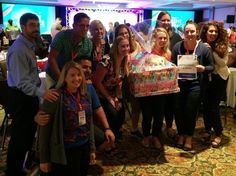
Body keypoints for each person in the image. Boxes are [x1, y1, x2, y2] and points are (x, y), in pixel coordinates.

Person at [6, 13, 59, 176]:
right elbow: (22, 83)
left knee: (28, 134)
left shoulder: (28, 44)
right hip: (21, 96)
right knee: (20, 137)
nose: (36, 28)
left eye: (37, 25)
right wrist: (43, 93)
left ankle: (22, 166)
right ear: (22, 27)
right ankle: (13, 171)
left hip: (27, 95)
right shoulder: (19, 50)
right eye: (32, 25)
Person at [39, 61, 96, 176]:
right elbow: (44, 130)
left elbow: (89, 123)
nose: (77, 78)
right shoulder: (55, 97)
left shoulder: (85, 95)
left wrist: (92, 148)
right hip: (65, 151)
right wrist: (44, 159)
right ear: (64, 78)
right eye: (72, 75)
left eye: (79, 75)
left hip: (84, 147)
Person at [171, 20, 214, 151]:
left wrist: (203, 68)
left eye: (192, 31)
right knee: (178, 110)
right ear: (183, 33)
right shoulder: (177, 47)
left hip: (195, 85)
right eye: (187, 31)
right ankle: (181, 134)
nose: (189, 34)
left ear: (197, 33)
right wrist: (174, 67)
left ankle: (188, 137)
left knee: (190, 111)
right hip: (179, 84)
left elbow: (211, 66)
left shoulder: (203, 48)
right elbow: (172, 63)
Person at [200, 21, 230, 148]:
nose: (213, 33)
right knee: (205, 106)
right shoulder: (202, 44)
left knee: (213, 106)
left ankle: (218, 133)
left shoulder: (222, 45)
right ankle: (207, 130)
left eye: (216, 31)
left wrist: (211, 50)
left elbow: (223, 64)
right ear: (205, 32)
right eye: (210, 31)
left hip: (220, 78)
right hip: (208, 78)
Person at [93, 36, 129, 140]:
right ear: (116, 47)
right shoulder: (107, 60)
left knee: (122, 115)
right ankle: (108, 136)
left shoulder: (124, 60)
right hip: (101, 93)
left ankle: (115, 133)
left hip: (114, 93)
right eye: (123, 46)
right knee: (114, 114)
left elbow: (119, 81)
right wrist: (109, 98)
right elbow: (97, 82)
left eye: (127, 46)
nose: (126, 48)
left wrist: (117, 98)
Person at [45, 12, 92, 88]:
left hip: (72, 77)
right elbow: (51, 59)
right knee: (56, 97)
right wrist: (62, 80)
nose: (85, 29)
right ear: (74, 26)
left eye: (87, 26)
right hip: (54, 74)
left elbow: (84, 64)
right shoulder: (62, 37)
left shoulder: (88, 43)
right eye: (81, 26)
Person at [155, 11, 182, 138]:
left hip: (171, 77)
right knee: (159, 105)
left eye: (168, 20)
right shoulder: (153, 36)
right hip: (156, 79)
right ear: (158, 21)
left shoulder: (176, 36)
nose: (166, 22)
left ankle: (169, 126)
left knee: (171, 103)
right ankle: (157, 129)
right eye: (163, 20)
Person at [114, 24, 143, 138]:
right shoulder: (116, 47)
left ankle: (134, 129)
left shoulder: (137, 45)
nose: (125, 35)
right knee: (120, 106)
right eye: (121, 34)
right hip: (121, 80)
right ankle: (118, 129)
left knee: (136, 106)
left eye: (126, 33)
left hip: (134, 79)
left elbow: (142, 59)